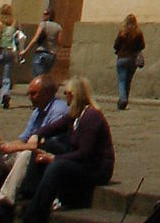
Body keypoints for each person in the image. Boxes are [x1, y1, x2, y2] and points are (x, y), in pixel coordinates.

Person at [22, 78, 113, 223]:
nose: (65, 97)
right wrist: (36, 135)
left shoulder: (91, 116)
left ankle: (35, 214)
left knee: (57, 166)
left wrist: (54, 159)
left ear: (74, 94)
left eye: (67, 94)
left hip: (96, 168)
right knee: (46, 145)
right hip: (83, 160)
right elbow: (53, 127)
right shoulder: (75, 115)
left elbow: (85, 153)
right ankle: (29, 193)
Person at [0, 77, 72, 216]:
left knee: (25, 154)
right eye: (29, 94)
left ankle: (7, 199)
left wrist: (13, 148)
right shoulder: (37, 111)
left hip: (48, 155)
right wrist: (1, 145)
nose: (29, 97)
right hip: (32, 152)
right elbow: (23, 139)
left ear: (47, 94)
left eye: (33, 94)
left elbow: (43, 145)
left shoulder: (58, 111)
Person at [113, 14, 145, 110]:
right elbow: (142, 46)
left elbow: (115, 45)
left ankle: (122, 99)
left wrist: (119, 50)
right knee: (128, 81)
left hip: (121, 59)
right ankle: (125, 101)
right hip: (132, 60)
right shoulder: (138, 33)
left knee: (121, 81)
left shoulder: (122, 33)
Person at [21, 13, 61, 82]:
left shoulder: (43, 24)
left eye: (44, 14)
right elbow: (59, 42)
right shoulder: (58, 27)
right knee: (45, 77)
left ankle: (38, 90)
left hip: (41, 52)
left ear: (48, 16)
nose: (43, 16)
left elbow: (35, 38)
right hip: (51, 54)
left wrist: (25, 50)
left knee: (38, 77)